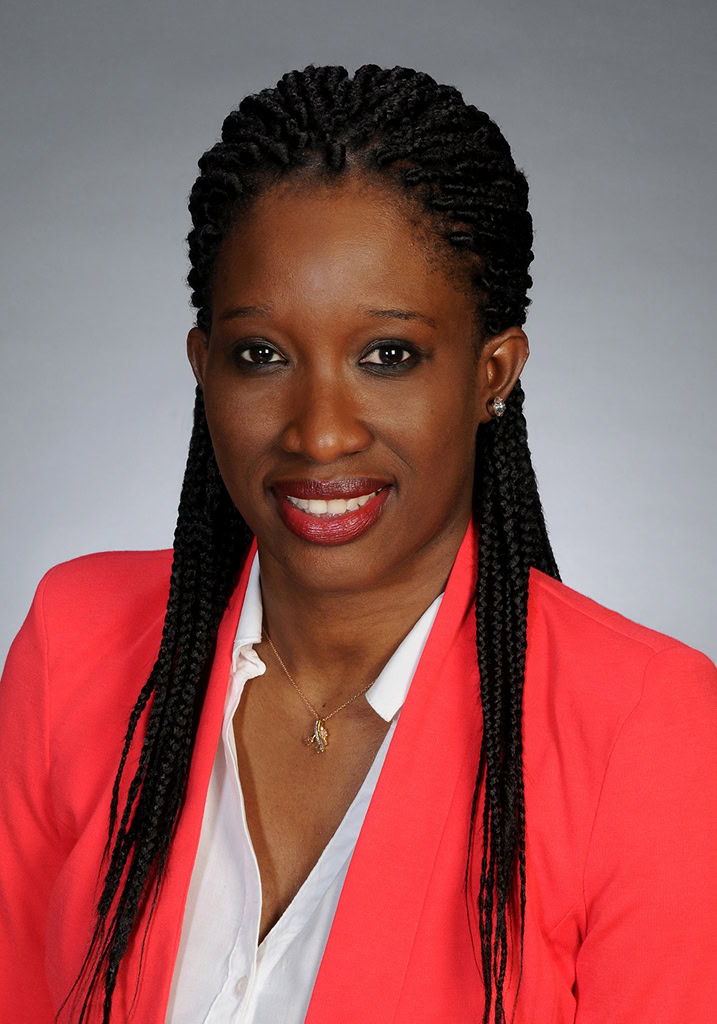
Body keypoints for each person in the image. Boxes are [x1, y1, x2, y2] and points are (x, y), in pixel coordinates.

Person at [1, 63, 715, 1024]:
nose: (320, 434)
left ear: (492, 374)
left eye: (388, 356)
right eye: (261, 355)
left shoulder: (647, 728)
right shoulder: (77, 642)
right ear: (204, 367)